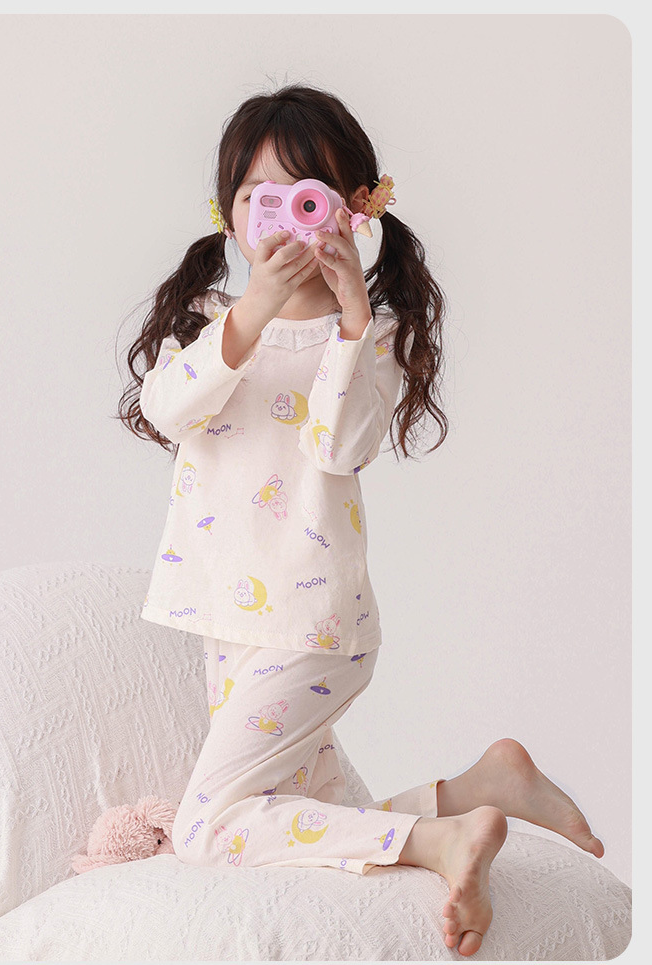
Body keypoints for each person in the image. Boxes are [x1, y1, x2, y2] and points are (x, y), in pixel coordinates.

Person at [117, 84, 604, 958]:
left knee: (208, 828)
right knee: (302, 816)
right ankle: (478, 788)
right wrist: (253, 309)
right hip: (226, 616)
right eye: (261, 200)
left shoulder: (367, 339)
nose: (283, 222)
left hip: (313, 624)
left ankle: (441, 841)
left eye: (306, 200)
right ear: (228, 215)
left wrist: (347, 319)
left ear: (354, 210)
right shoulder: (213, 328)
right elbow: (168, 409)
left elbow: (339, 446)